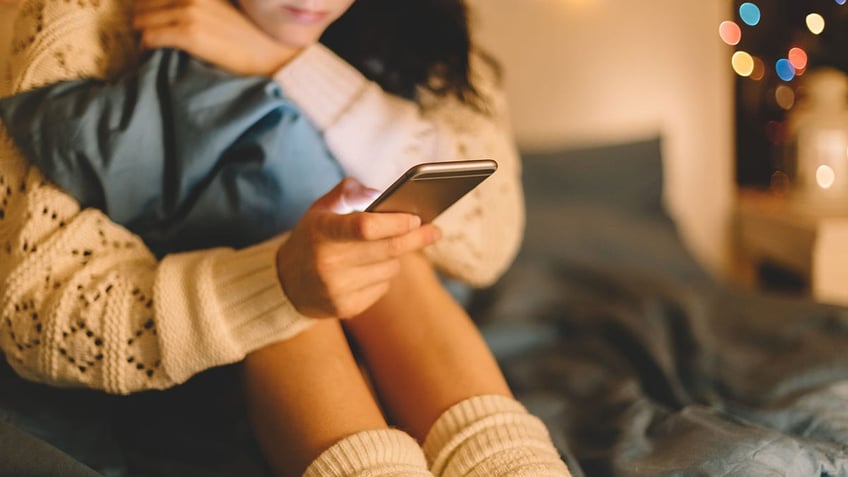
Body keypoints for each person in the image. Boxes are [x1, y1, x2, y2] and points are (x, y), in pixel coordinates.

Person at [0, 0, 572, 476]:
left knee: (385, 244)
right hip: (200, 341)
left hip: (396, 311)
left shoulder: (417, 21)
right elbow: (36, 312)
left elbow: (488, 238)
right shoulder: (78, 17)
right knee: (304, 266)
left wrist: (288, 62)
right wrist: (277, 283)